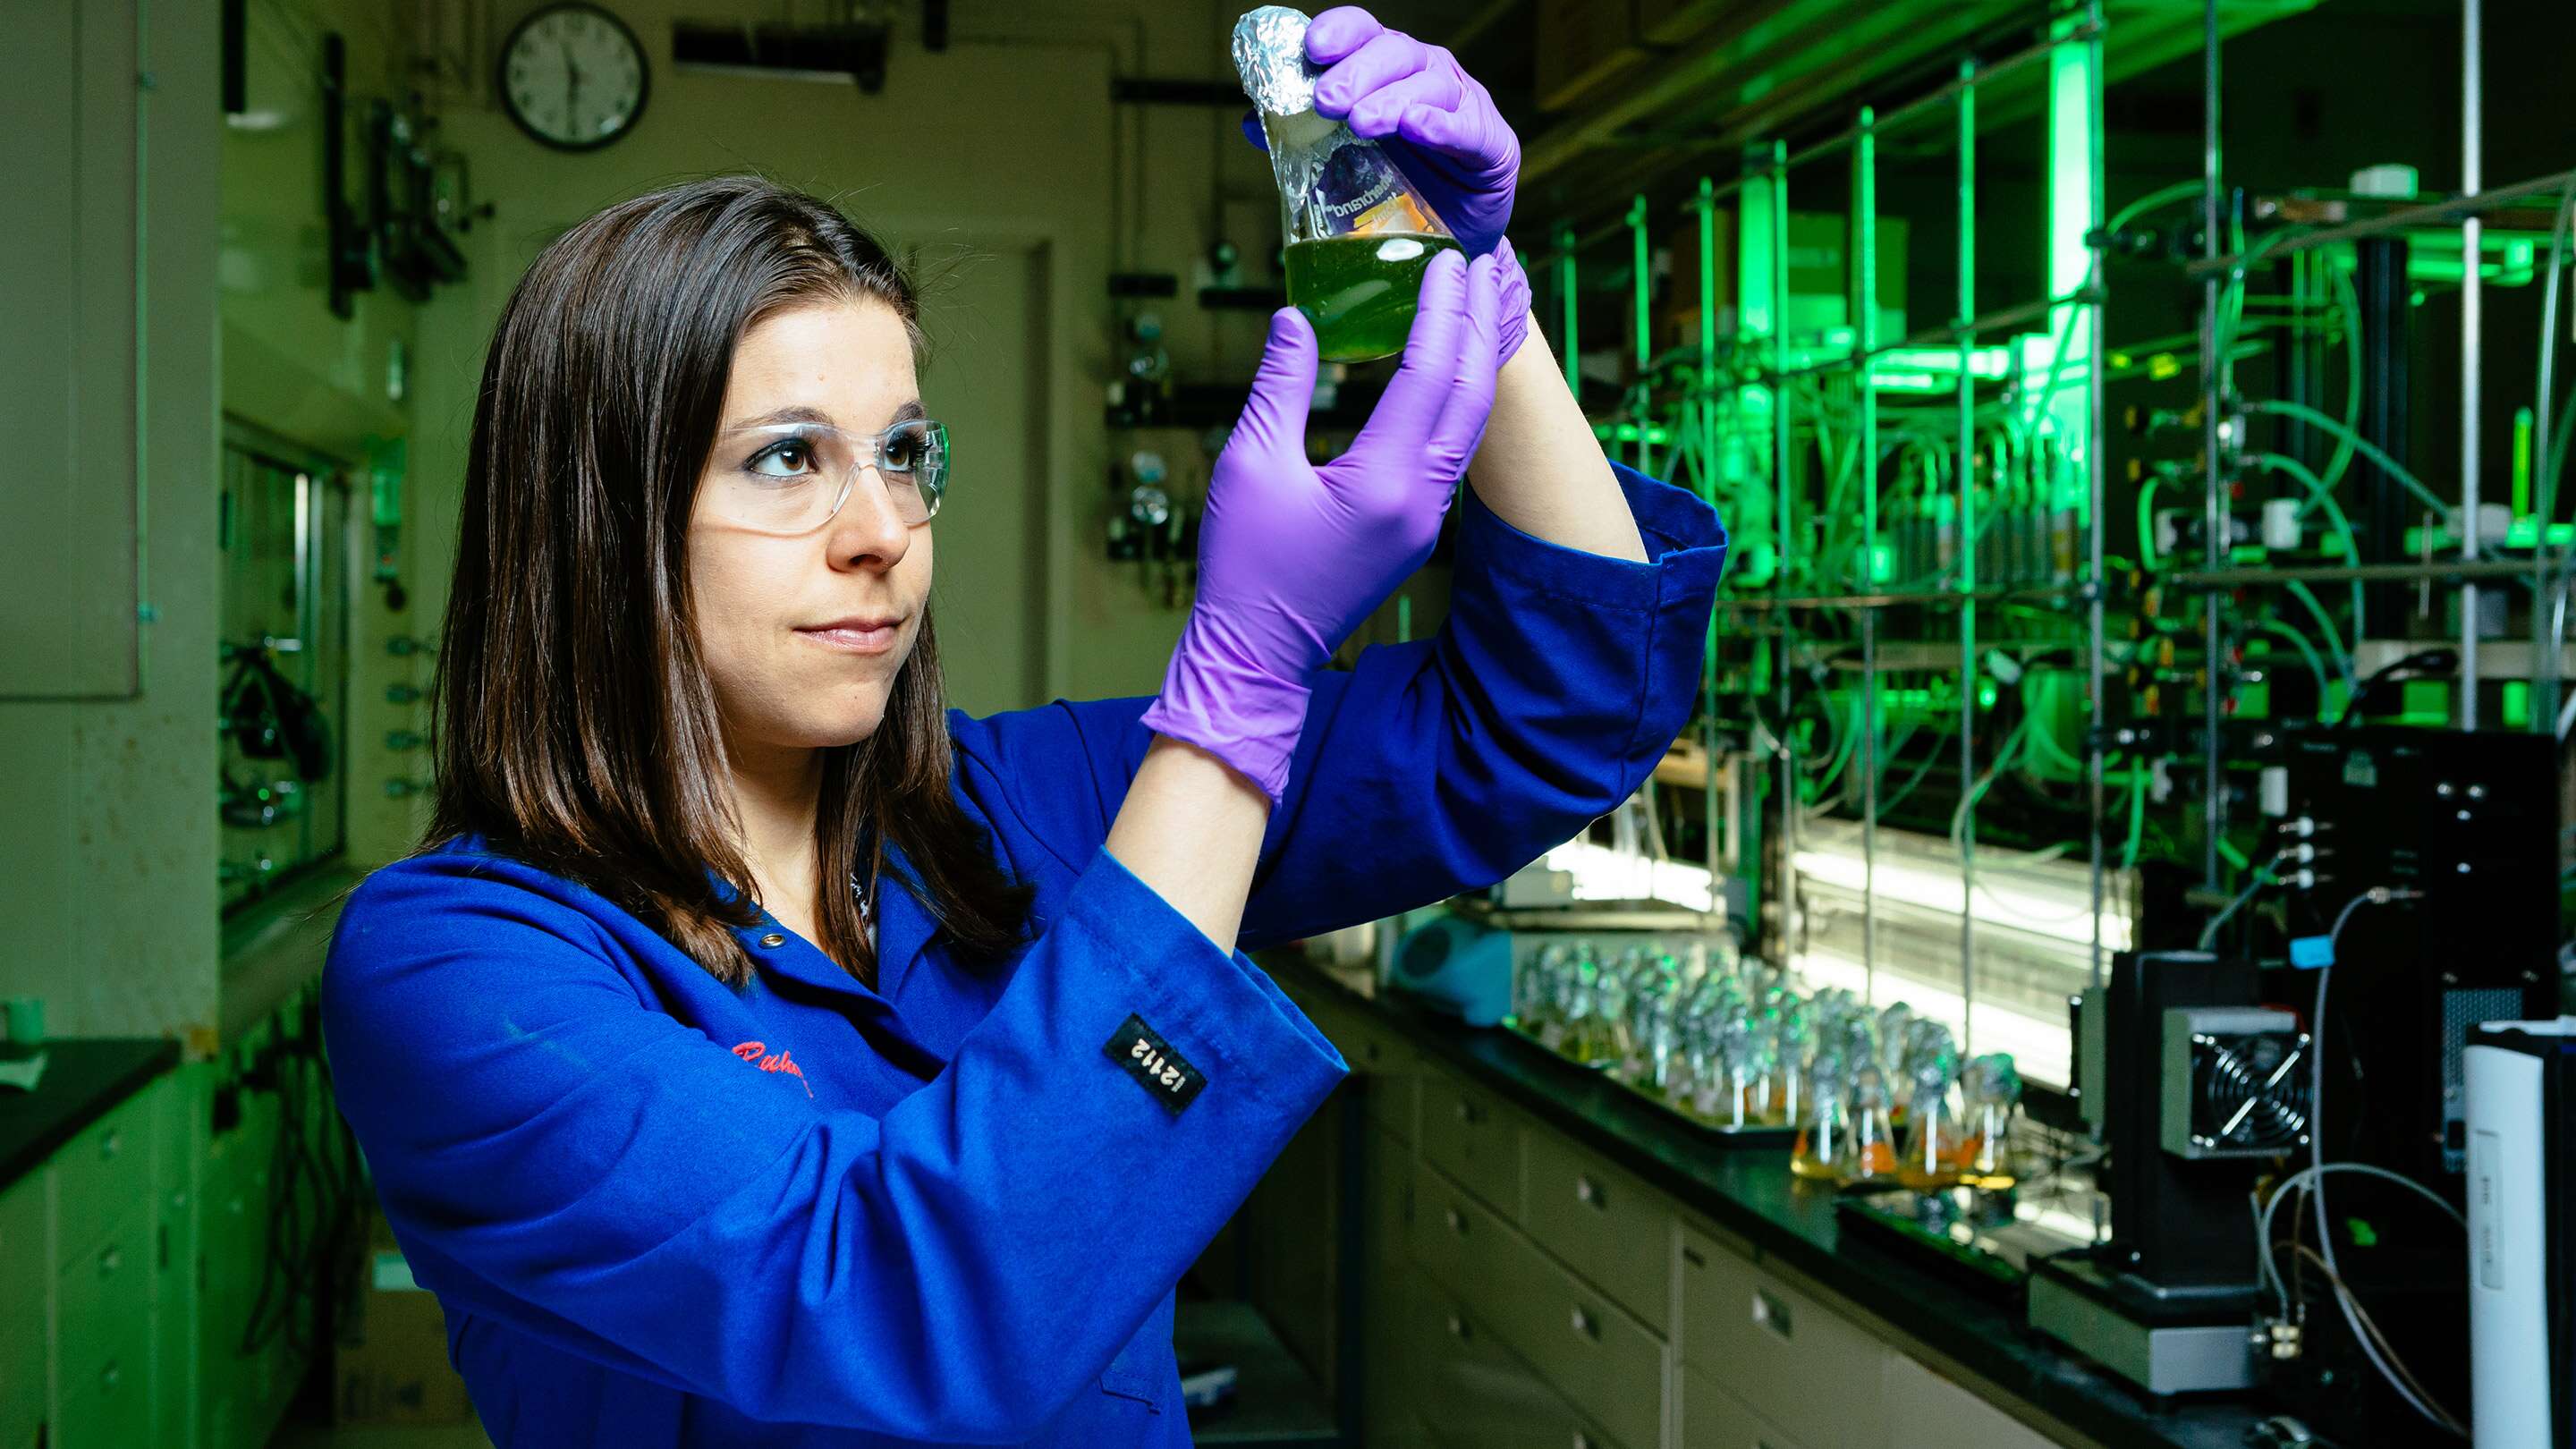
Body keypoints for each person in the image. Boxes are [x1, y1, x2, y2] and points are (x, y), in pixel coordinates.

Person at [323, 8, 1727, 1445]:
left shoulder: (1008, 809)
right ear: (594, 525)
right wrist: (1239, 681)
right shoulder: (461, 969)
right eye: (787, 459)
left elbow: (1546, 719)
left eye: (905, 452)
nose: (882, 532)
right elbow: (903, 1308)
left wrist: (1468, 287)